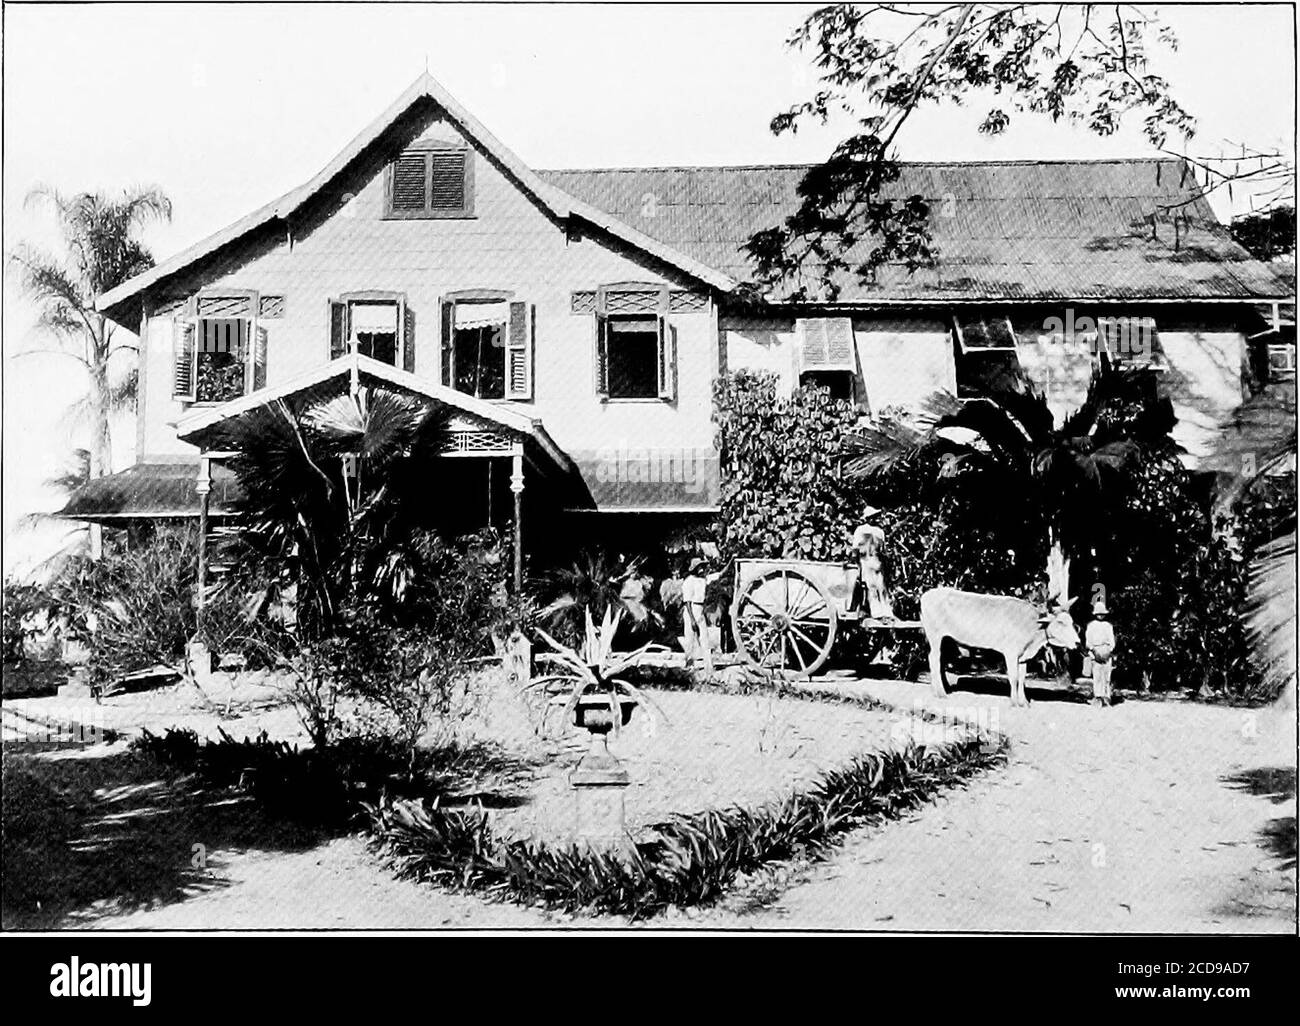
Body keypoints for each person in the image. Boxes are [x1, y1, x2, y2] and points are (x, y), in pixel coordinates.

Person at [850, 505, 894, 619]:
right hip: (866, 561)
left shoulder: (879, 531)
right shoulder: (861, 530)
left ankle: (886, 611)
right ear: (867, 518)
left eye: (875, 517)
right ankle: (876, 612)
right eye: (871, 517)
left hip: (877, 562)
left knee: (882, 587)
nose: (874, 519)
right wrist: (856, 564)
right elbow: (855, 549)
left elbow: (883, 549)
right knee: (871, 587)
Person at [682, 556, 721, 674]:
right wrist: (692, 619)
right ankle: (688, 666)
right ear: (695, 568)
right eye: (700, 567)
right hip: (691, 610)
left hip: (700, 609)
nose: (702, 569)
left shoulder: (702, 580)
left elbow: (720, 574)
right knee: (689, 640)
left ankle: (708, 666)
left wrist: (731, 561)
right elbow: (687, 602)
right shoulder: (688, 581)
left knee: (704, 639)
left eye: (702, 567)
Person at [1085, 597, 1116, 707]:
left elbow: (1112, 641)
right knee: (1097, 676)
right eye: (1098, 613)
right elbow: (1088, 641)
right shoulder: (1091, 625)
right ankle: (1098, 697)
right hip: (1095, 651)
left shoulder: (1108, 626)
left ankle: (1107, 697)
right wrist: (1094, 650)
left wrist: (1108, 650)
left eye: (1102, 614)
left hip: (1106, 651)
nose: (1100, 616)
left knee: (1107, 676)